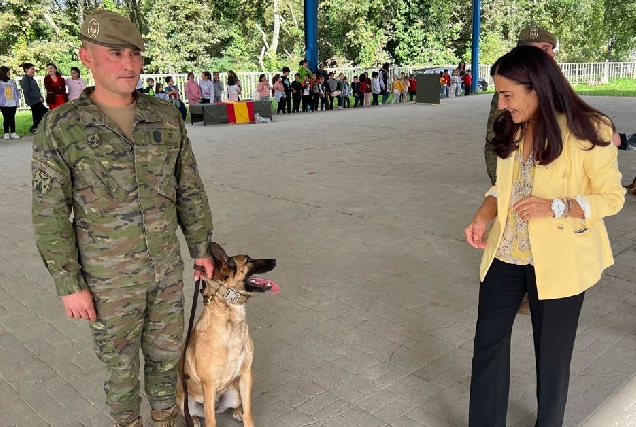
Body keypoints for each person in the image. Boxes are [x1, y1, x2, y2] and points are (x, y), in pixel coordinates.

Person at [31, 9, 214, 427]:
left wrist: (201, 248)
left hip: (165, 269)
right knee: (120, 367)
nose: (128, 64)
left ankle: (166, 419)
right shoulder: (62, 126)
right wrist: (68, 282)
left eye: (135, 53)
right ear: (88, 57)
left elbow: (189, 187)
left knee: (167, 356)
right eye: (114, 53)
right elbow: (49, 211)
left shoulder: (165, 118)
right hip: (107, 278)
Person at [464, 45, 625, 427]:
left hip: (560, 262)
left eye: (508, 94)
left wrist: (556, 207)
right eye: (499, 94)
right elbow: (503, 188)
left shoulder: (590, 128)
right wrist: (483, 215)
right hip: (505, 254)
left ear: (536, 87)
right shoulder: (511, 125)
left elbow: (613, 198)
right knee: (487, 347)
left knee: (552, 357)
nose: (501, 104)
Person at [485, 26, 558, 186]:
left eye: (552, 49)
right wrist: (500, 185)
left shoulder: (554, 81)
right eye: (545, 48)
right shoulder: (509, 85)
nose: (552, 54)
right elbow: (497, 138)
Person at [20, 62, 48, 134]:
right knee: (39, 114)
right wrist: (38, 97)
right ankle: (34, 128)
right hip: (33, 101)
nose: (33, 71)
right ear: (26, 70)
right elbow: (27, 91)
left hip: (37, 100)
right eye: (32, 69)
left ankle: (37, 127)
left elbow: (35, 89)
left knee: (42, 113)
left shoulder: (31, 79)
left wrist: (40, 96)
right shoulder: (25, 79)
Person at [0, 65, 21, 139]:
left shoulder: (12, 82)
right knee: (6, 118)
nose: (9, 73)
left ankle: (13, 132)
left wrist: (18, 96)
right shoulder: (0, 83)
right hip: (4, 104)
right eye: (8, 72)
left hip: (13, 103)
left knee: (12, 118)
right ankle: (6, 133)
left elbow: (16, 91)